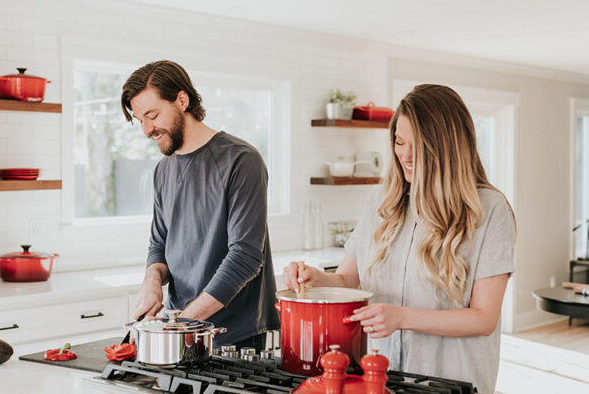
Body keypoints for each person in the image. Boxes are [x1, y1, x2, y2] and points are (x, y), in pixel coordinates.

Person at [283, 84, 515, 393]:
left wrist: (402, 318)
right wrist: (316, 279)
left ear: (447, 146)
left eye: (416, 144)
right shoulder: (382, 200)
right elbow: (349, 280)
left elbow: (484, 318)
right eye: (399, 141)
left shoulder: (489, 210)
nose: (404, 155)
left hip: (448, 382)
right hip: (380, 380)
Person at [121, 60, 280, 349]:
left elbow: (245, 257)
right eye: (140, 120)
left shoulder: (242, 160)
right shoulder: (163, 170)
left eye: (152, 115)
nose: (146, 130)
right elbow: (159, 244)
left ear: (182, 100)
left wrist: (183, 325)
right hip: (179, 326)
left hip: (234, 337)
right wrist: (152, 281)